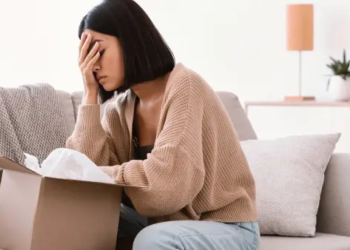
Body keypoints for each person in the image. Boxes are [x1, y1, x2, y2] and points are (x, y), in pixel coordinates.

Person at [66, 0, 260, 249]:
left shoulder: (185, 86)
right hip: (165, 221)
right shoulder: (119, 109)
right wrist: (89, 93)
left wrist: (97, 176)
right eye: (86, 56)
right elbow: (83, 181)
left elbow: (167, 186)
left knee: (153, 240)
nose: (93, 65)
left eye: (99, 52)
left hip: (228, 227)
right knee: (83, 216)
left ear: (130, 41)